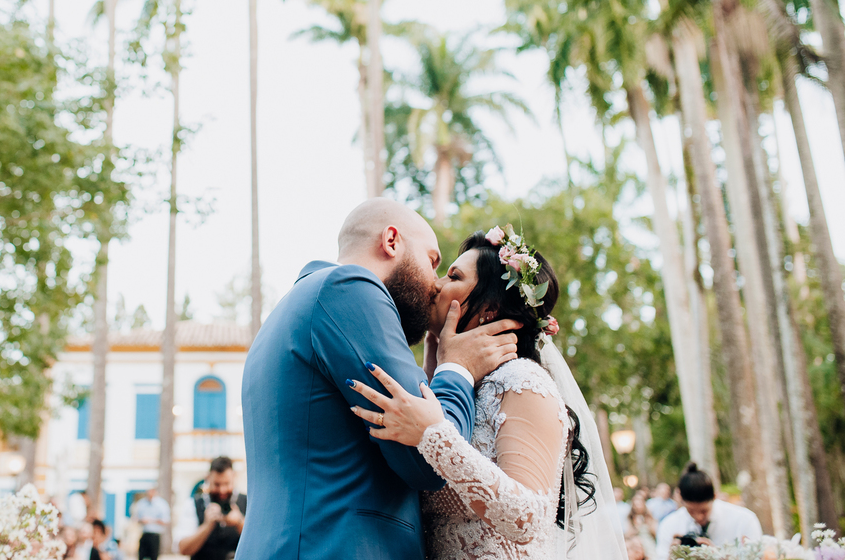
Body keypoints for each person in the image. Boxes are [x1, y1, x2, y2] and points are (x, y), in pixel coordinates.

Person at [238, 200, 523, 560]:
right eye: (432, 261)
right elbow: (430, 459)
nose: (435, 285)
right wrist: (458, 368)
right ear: (391, 241)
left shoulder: (288, 311)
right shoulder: (350, 289)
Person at [347, 227, 629, 560]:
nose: (435, 284)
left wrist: (431, 435)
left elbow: (527, 518)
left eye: (453, 276)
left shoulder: (522, 381)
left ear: (490, 309)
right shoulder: (463, 385)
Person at [654, 463, 762, 559]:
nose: (699, 517)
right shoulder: (670, 525)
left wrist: (718, 557)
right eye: (691, 511)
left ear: (715, 497)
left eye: (704, 511)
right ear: (680, 500)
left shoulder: (743, 520)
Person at [174, 457, 246, 560]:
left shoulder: (247, 502)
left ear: (234, 477)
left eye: (226, 483)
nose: (222, 490)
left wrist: (239, 522)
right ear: (208, 478)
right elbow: (182, 549)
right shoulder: (193, 504)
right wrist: (206, 526)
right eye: (217, 484)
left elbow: (258, 543)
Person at [133, 486, 169, 560]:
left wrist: (152, 520)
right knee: (141, 556)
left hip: (155, 535)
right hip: (145, 534)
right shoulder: (141, 503)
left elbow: (166, 520)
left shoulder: (161, 504)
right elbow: (135, 518)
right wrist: (142, 520)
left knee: (154, 556)